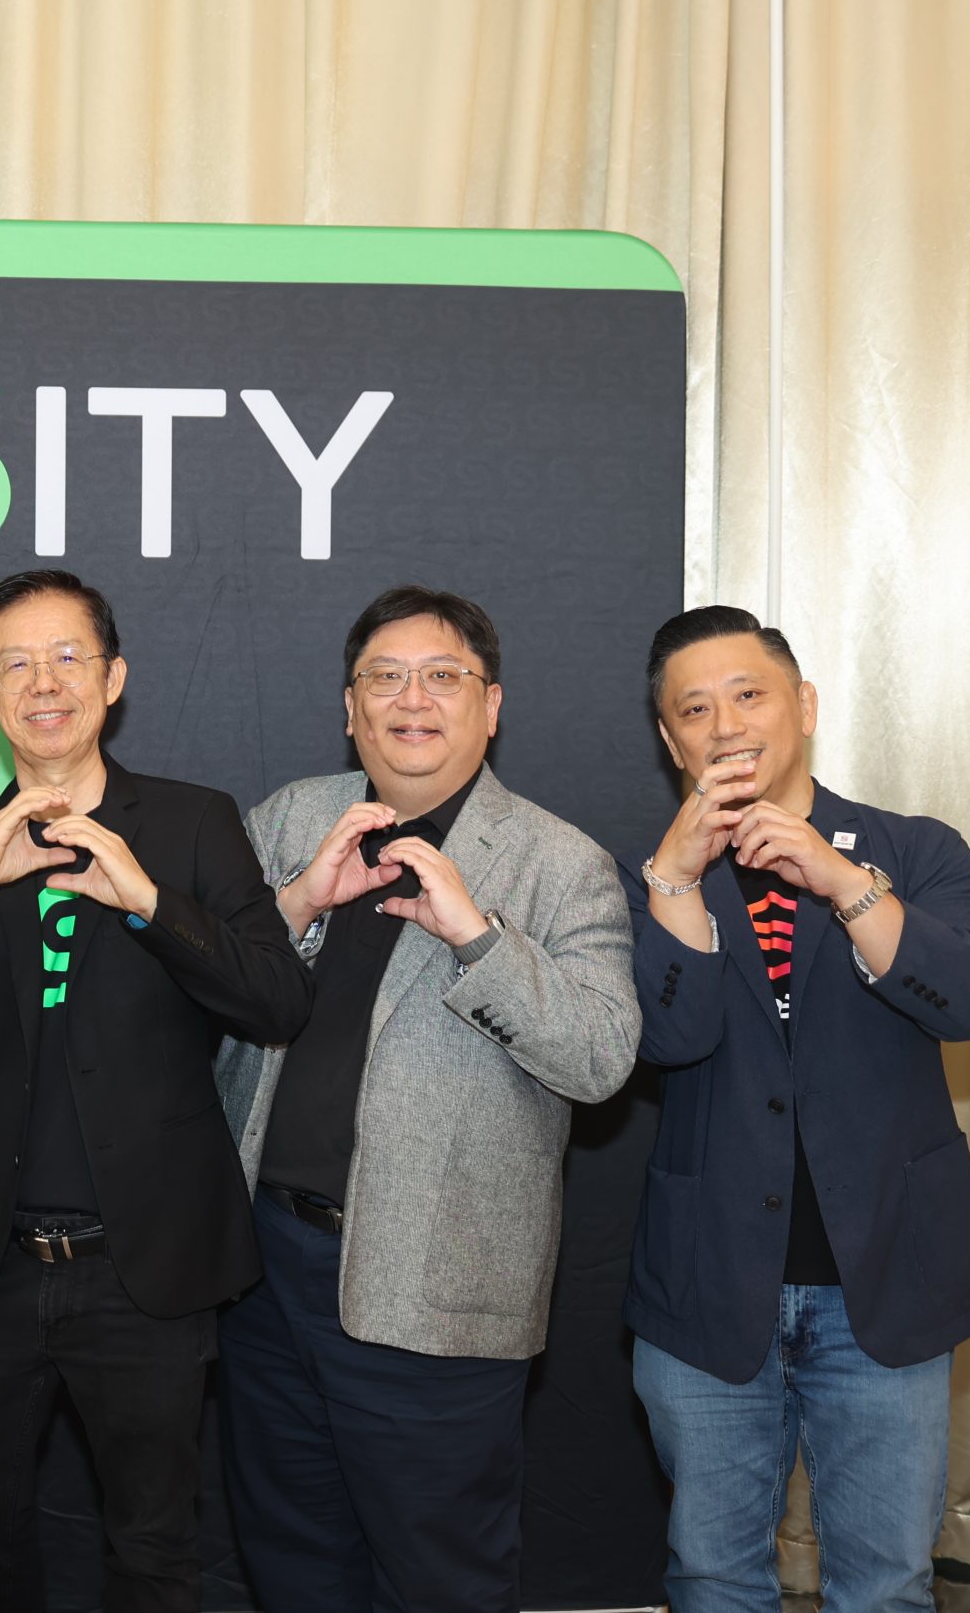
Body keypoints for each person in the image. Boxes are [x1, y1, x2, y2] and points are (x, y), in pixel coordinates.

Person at [0, 569, 313, 1612]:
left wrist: (150, 900)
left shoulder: (193, 824)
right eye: (15, 664)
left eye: (68, 657)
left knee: (153, 1544)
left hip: (146, 1265)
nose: (44, 683)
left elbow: (278, 1001)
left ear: (112, 679)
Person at [213, 584, 640, 1612]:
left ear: (490, 706)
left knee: (440, 1578)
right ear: (349, 707)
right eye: (385, 677)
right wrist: (292, 907)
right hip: (265, 1275)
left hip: (435, 1295)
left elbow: (602, 1059)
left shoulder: (558, 863)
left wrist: (478, 939)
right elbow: (195, 999)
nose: (413, 699)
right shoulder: (288, 821)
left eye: (443, 675)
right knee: (290, 1564)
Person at [623, 606, 970, 1613]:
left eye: (748, 694)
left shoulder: (913, 850)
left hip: (889, 1276)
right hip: (708, 1285)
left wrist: (842, 883)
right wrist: (676, 879)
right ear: (670, 739)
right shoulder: (651, 874)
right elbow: (666, 1041)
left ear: (803, 705)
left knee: (886, 1582)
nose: (725, 725)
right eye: (694, 710)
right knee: (712, 1575)